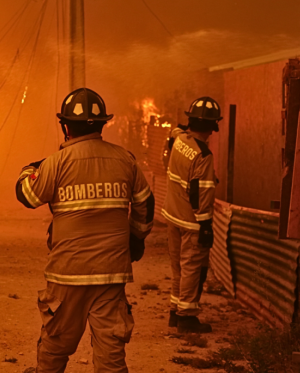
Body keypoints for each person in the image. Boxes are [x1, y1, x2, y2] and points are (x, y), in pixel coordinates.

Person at [15, 88, 154, 373]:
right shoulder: (125, 160)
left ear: (65, 125)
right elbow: (146, 203)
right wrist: (136, 239)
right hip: (111, 272)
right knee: (110, 346)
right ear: (103, 124)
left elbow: (27, 195)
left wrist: (30, 168)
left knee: (56, 342)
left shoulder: (56, 163)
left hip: (68, 272)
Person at [162, 96, 222, 334]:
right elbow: (202, 194)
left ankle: (175, 313)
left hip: (172, 215)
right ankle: (187, 318)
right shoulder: (204, 155)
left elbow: (175, 131)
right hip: (191, 221)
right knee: (191, 268)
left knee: (178, 267)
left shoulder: (179, 140)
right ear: (213, 126)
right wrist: (206, 225)